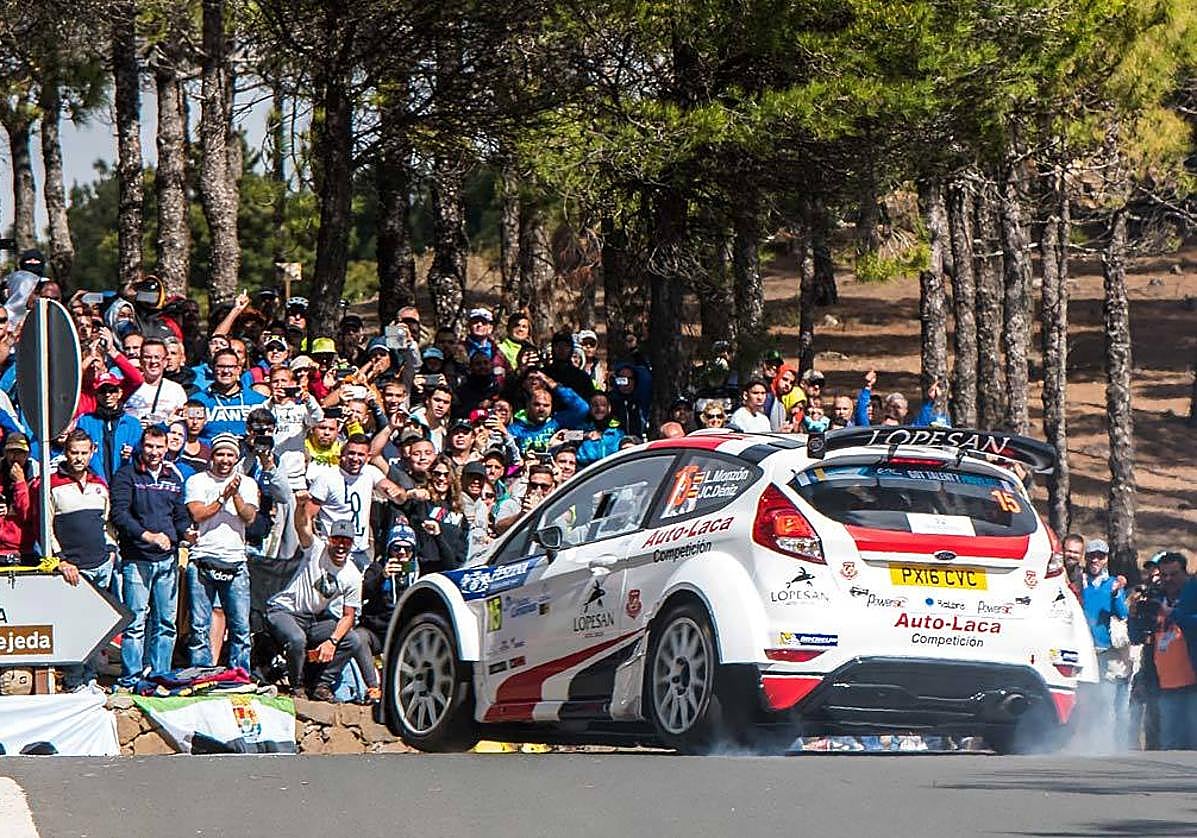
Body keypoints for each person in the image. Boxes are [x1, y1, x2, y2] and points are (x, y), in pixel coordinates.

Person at [265, 513, 379, 703]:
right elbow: (302, 526)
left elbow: (348, 616)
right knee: (297, 639)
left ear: (352, 544)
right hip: (284, 610)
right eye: (336, 540)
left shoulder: (352, 575)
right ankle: (297, 686)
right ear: (329, 540)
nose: (341, 546)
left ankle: (321, 685)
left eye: (346, 542)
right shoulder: (316, 549)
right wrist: (301, 507)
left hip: (314, 619)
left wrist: (332, 642)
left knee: (352, 639)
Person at [110, 426, 191, 688]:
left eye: (159, 447)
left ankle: (160, 676)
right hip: (137, 559)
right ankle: (131, 678)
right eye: (149, 446)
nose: (154, 452)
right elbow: (119, 515)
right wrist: (148, 536)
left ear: (167, 448)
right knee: (135, 622)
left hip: (167, 560)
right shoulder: (126, 475)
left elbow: (179, 516)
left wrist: (187, 533)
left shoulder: (173, 477)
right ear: (141, 446)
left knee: (166, 623)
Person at [48, 431, 117, 690]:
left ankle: (91, 677)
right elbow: (46, 527)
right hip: (72, 569)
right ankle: (74, 680)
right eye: (73, 452)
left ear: (92, 452)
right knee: (73, 626)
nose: (78, 458)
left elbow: (107, 523)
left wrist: (111, 551)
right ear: (66, 453)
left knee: (94, 626)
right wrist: (61, 560)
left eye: (83, 453)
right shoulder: (52, 484)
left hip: (101, 565)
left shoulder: (100, 484)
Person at [184, 433, 259, 672]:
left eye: (230, 455)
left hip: (235, 560)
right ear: (212, 456)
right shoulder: (197, 481)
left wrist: (235, 494)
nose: (225, 460)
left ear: (236, 458)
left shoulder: (248, 483)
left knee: (240, 626)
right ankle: (200, 671)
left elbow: (249, 517)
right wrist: (222, 496)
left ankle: (240, 673)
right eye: (220, 454)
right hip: (203, 557)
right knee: (199, 625)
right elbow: (198, 514)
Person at [306, 433, 406, 570]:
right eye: (351, 453)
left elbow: (399, 498)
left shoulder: (371, 472)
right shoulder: (327, 478)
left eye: (360, 455)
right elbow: (307, 516)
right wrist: (316, 546)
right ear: (342, 455)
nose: (355, 458)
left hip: (360, 551)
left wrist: (398, 492)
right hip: (334, 550)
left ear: (368, 457)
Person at [1080, 538, 1130, 747]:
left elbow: (1122, 613)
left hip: (1105, 650)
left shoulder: (1112, 584)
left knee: (1106, 698)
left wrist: (1117, 594)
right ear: (1086, 557)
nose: (1095, 560)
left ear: (1106, 559)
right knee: (1083, 699)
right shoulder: (1079, 581)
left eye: (1100, 556)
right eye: (1092, 556)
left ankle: (1105, 744)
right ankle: (1083, 741)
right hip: (1082, 649)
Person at [1148, 552, 1197, 749]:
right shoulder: (1155, 599)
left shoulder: (1193, 595)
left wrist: (1174, 614)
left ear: (1185, 573)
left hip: (1192, 683)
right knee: (1170, 747)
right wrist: (1136, 616)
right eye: (1164, 575)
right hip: (1165, 684)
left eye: (1174, 574)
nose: (1168, 579)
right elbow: (1138, 637)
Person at [76, 373, 144, 483]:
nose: (107, 395)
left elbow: (142, 454)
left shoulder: (133, 424)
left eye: (112, 391)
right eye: (102, 391)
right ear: (96, 394)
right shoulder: (85, 421)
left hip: (125, 482)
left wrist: (132, 453)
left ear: (120, 393)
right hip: (94, 482)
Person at [193, 348, 268, 439]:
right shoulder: (197, 401)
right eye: (221, 366)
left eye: (230, 367)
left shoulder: (258, 401)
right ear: (213, 368)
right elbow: (191, 436)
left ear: (238, 369)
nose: (226, 371)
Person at [509, 377, 589, 455]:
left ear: (551, 407)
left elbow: (582, 408)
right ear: (528, 405)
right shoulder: (515, 429)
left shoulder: (558, 422)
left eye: (546, 405)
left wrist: (555, 386)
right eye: (537, 404)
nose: (541, 409)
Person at [123, 338, 188, 427]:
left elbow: (182, 423)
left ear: (165, 362)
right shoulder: (128, 387)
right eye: (148, 357)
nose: (153, 361)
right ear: (141, 361)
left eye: (157, 357)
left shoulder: (176, 390)